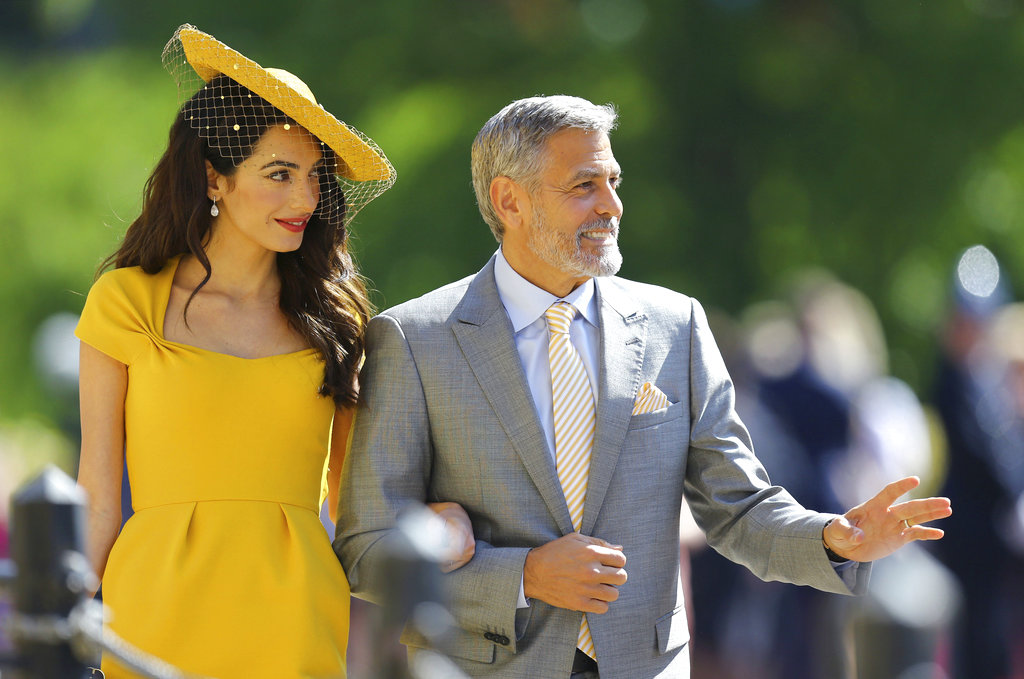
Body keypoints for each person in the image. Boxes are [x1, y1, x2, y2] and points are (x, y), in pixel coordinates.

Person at [333, 94, 953, 678]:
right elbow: (368, 551)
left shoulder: (675, 326)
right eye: (584, 185)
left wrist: (832, 537)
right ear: (509, 201)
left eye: (613, 181)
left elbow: (737, 509)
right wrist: (523, 577)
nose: (611, 204)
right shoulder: (415, 340)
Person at [75, 25, 473, 679]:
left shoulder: (337, 325)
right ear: (214, 178)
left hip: (297, 624)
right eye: (279, 174)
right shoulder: (126, 303)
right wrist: (44, 616)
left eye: (314, 176)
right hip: (150, 619)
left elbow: (357, 506)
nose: (304, 199)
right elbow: (96, 497)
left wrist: (442, 533)